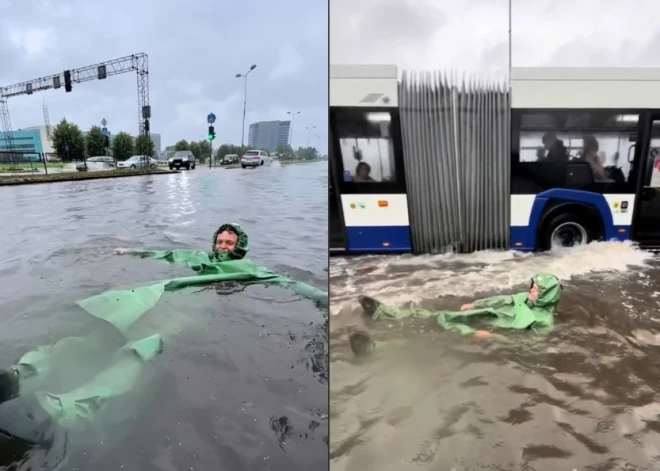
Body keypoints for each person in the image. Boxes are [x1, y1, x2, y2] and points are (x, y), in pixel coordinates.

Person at [0, 223, 327, 465]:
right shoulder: (197, 257)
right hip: (153, 301)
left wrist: (323, 298)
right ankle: (20, 374)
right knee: (92, 338)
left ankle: (62, 409)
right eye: (220, 240)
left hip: (187, 311)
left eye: (229, 242)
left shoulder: (251, 269)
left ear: (240, 246)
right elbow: (166, 253)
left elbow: (290, 283)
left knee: (141, 349)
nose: (223, 245)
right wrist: (130, 252)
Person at [356, 273, 562, 339]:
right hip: (484, 316)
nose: (532, 291)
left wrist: (492, 338)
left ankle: (377, 348)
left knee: (443, 332)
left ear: (546, 295)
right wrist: (475, 304)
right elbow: (501, 299)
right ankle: (387, 312)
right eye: (532, 287)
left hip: (490, 329)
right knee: (438, 315)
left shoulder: (545, 321)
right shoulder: (524, 297)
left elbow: (526, 345)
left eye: (536, 290)